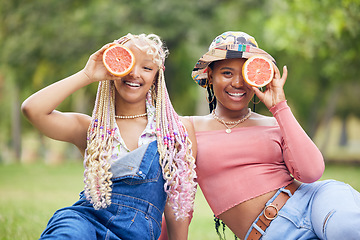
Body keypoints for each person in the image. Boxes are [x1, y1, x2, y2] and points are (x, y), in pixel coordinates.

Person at [21, 33, 197, 240]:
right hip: (83, 223)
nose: (134, 73)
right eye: (127, 63)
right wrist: (88, 74)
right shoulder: (92, 129)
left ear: (158, 75)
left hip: (136, 233)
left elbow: (177, 208)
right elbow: (32, 109)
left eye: (147, 68)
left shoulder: (174, 131)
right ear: (112, 67)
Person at [188, 31, 360, 240]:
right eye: (227, 73)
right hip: (272, 234)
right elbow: (175, 200)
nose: (238, 82)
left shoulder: (275, 122)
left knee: (349, 230)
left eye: (246, 73)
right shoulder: (189, 127)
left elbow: (312, 172)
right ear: (210, 75)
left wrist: (279, 107)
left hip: (317, 203)